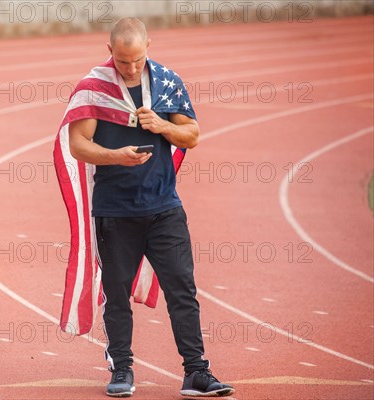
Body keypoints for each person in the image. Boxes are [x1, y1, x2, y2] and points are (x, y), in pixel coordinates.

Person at [67, 17, 235, 398]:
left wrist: (161, 125)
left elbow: (191, 135)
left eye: (138, 60)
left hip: (164, 208)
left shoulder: (165, 82)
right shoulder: (94, 88)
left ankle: (196, 372)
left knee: (182, 290)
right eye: (124, 61)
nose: (131, 68)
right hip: (115, 211)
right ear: (110, 51)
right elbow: (79, 144)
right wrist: (114, 156)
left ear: (149, 48)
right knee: (117, 292)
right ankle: (122, 370)